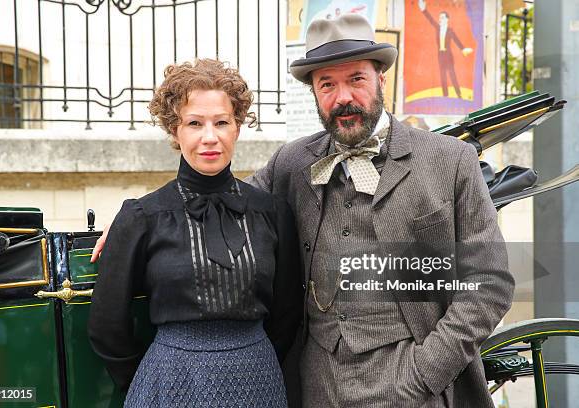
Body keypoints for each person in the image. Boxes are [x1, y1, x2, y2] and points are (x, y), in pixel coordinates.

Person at [92, 15, 514, 408]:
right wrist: (132, 217)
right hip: (317, 387)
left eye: (356, 79)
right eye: (327, 84)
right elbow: (215, 196)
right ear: (314, 91)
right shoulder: (291, 163)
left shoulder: (450, 161)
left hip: (415, 384)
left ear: (381, 78)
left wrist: (424, 373)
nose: (343, 96)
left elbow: (489, 283)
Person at [87, 58, 303, 407]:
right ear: (175, 130)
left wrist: (256, 362)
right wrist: (145, 384)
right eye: (194, 123)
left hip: (257, 380)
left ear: (237, 127)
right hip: (169, 381)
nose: (209, 137)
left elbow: (288, 313)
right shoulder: (141, 217)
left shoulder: (273, 212)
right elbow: (106, 324)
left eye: (221, 122)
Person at [419, 0, 474, 99]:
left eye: (442, 17)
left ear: (447, 19)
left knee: (452, 75)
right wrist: (424, 10)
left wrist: (463, 49)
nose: (440, 19)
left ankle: (459, 94)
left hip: (448, 56)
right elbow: (430, 19)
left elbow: (457, 41)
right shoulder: (438, 28)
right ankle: (445, 95)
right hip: (440, 55)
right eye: (439, 18)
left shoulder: (450, 31)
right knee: (443, 75)